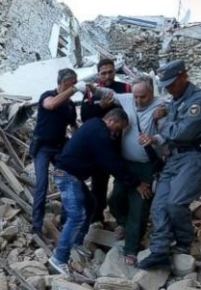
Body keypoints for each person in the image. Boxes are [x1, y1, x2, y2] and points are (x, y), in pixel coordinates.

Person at [48, 108, 152, 278]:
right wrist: (136, 183)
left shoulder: (94, 125)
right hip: (67, 175)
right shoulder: (100, 133)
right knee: (76, 216)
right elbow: (111, 163)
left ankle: (76, 242)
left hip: (72, 175)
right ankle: (59, 258)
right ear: (111, 120)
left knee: (90, 203)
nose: (117, 134)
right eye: (118, 129)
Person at [137, 60, 201, 270]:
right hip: (174, 156)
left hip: (196, 155)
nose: (170, 89)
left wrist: (164, 123)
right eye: (166, 86)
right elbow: (170, 134)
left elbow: (182, 132)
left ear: (184, 76)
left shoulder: (200, 99)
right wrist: (159, 133)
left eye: (173, 84)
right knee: (159, 205)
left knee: (175, 203)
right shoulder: (174, 102)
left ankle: (184, 242)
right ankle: (160, 251)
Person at [108, 76, 166, 265]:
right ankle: (127, 225)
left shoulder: (163, 105)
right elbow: (106, 93)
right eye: (136, 97)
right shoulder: (126, 99)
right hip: (126, 164)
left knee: (139, 206)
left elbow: (169, 134)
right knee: (115, 200)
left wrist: (154, 138)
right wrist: (85, 88)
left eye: (143, 97)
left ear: (151, 93)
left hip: (146, 166)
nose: (138, 100)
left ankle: (131, 249)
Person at [80, 58, 132, 225]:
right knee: (99, 184)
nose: (108, 76)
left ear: (115, 71)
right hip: (100, 148)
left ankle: (125, 219)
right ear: (98, 74)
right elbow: (85, 117)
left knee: (123, 181)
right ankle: (97, 219)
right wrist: (100, 107)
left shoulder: (125, 88)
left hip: (123, 145)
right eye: (104, 73)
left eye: (110, 72)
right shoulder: (91, 92)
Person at [29, 68, 79, 236]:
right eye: (72, 83)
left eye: (76, 83)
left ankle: (64, 222)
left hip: (59, 147)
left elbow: (73, 126)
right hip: (42, 148)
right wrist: (73, 90)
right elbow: (51, 105)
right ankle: (37, 226)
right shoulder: (47, 96)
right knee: (42, 185)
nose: (75, 86)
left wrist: (80, 140)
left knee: (67, 182)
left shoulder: (70, 105)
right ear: (64, 82)